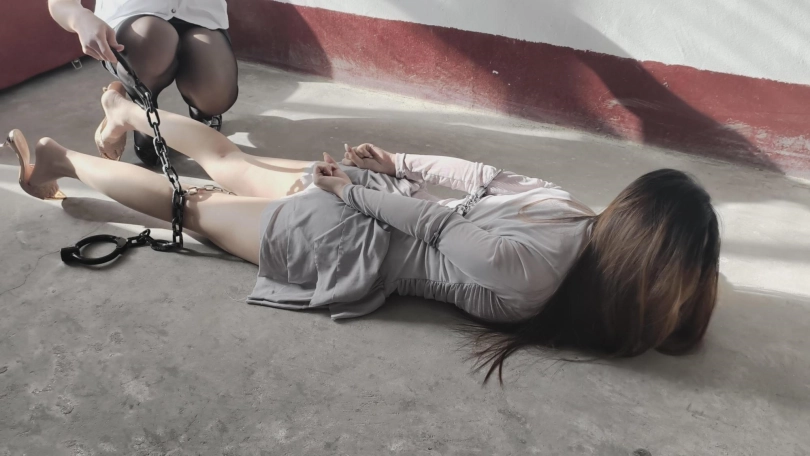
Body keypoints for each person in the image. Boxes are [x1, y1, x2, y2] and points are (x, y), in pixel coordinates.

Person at [3, 83, 721, 382]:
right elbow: (444, 212)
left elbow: (469, 185)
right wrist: (374, 178)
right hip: (356, 233)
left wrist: (383, 174)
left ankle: (126, 116)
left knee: (228, 167)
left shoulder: (570, 211)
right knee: (191, 205)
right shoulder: (545, 272)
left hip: (368, 210)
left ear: (627, 218)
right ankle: (65, 160)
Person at [48, 0, 238, 165]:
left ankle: (202, 113)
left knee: (216, 96)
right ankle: (138, 109)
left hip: (202, 18)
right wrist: (80, 17)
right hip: (134, 24)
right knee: (152, 35)